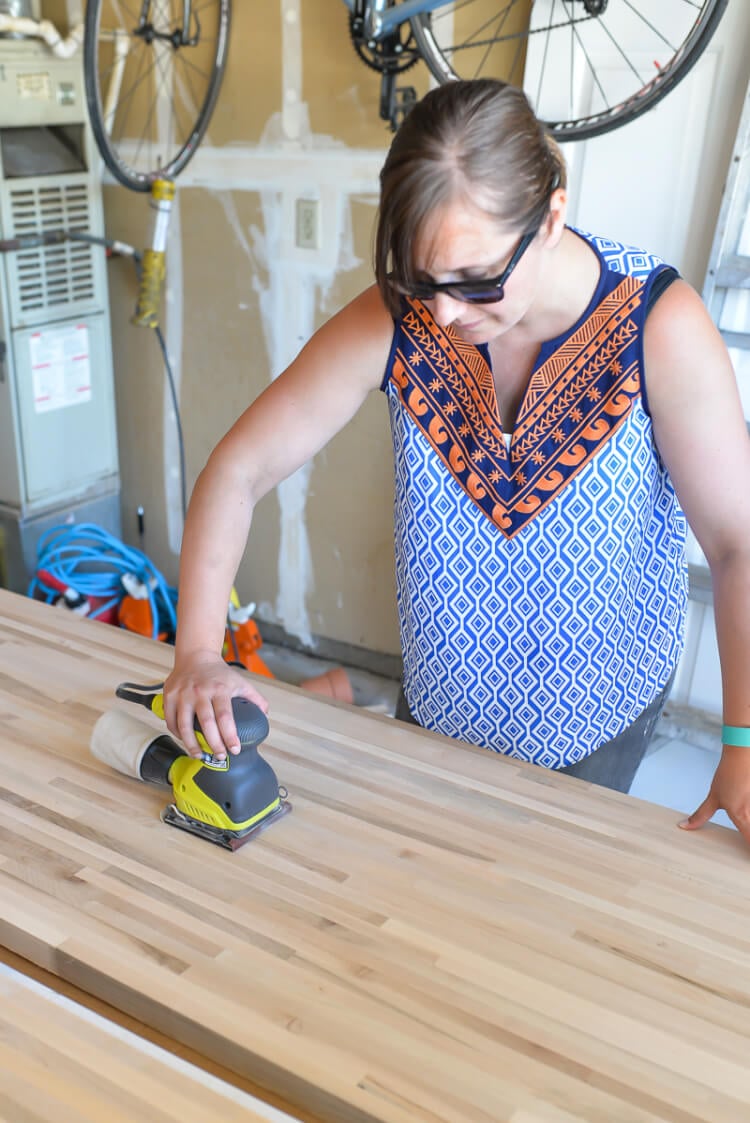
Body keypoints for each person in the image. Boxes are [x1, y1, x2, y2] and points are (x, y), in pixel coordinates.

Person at [163, 78, 750, 843]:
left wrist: (741, 739)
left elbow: (738, 545)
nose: (443, 314)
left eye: (477, 283)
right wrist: (199, 651)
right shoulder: (403, 319)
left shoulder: (656, 326)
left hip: (595, 723)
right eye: (420, 281)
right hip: (440, 707)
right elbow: (237, 470)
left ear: (551, 218)